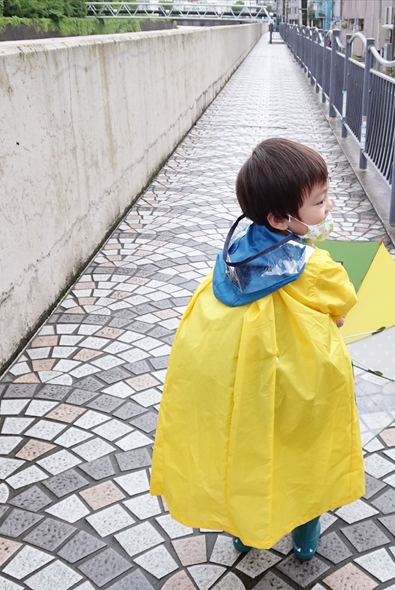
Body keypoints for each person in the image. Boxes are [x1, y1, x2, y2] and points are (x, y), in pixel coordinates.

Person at [150, 138, 364, 561]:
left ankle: (245, 531)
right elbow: (343, 299)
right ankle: (305, 530)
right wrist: (333, 314)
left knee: (247, 447)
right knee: (303, 448)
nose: (329, 209)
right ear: (280, 218)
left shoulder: (234, 252)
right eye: (320, 203)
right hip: (296, 381)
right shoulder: (313, 265)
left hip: (239, 379)